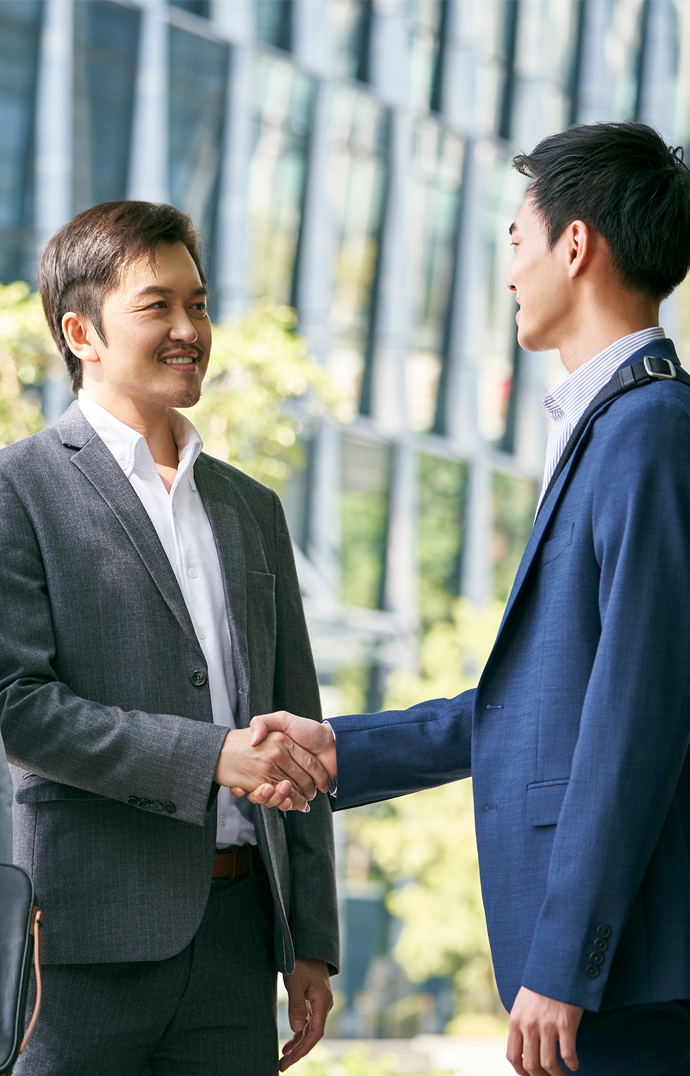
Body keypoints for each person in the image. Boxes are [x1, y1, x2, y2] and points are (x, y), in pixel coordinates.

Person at [248, 122, 690, 1076]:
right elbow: (541, 708)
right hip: (612, 980)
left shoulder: (651, 432)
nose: (509, 276)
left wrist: (567, 962)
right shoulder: (613, 428)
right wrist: (343, 749)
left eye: (516, 244)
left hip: (632, 980)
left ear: (576, 247)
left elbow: (636, 721)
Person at [0, 200, 338, 1076]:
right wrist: (213, 757)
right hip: (79, 947)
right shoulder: (20, 490)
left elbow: (296, 719)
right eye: (158, 306)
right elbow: (21, 709)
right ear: (82, 331)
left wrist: (312, 941)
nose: (190, 329)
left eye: (200, 303)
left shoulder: (251, 508)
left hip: (236, 947)